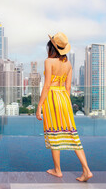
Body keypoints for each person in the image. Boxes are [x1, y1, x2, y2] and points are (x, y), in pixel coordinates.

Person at [36, 32, 93, 182]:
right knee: (72, 134)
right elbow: (68, 87)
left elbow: (47, 85)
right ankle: (86, 170)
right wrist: (66, 104)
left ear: (51, 48)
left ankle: (57, 170)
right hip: (64, 99)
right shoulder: (68, 64)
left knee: (54, 134)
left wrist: (39, 106)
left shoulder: (48, 62)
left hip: (52, 98)